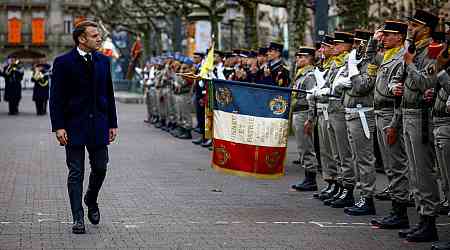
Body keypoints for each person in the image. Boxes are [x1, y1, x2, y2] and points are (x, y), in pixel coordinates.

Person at [49, 20, 118, 234]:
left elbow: (109, 93)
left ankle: (91, 198)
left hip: (99, 124)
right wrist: (59, 126)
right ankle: (78, 217)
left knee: (100, 168)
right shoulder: (63, 62)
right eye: (95, 35)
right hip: (73, 126)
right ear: (82, 38)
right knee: (76, 172)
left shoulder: (103, 61)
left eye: (99, 35)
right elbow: (56, 98)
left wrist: (112, 123)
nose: (99, 38)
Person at [391, 10, 440, 242]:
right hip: (408, 113)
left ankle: (429, 221)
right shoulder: (414, 50)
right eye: (410, 24)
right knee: (414, 172)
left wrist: (409, 65)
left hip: (421, 116)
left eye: (415, 24)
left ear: (427, 28)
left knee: (423, 172)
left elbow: (426, 82)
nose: (410, 27)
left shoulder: (432, 51)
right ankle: (421, 219)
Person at [369, 20, 410, 229]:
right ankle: (397, 209)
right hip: (380, 113)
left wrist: (394, 123)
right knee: (389, 165)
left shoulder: (402, 57)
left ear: (399, 37)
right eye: (382, 35)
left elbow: (400, 97)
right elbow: (369, 59)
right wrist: (371, 41)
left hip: (390, 114)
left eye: (387, 35)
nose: (382, 38)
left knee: (396, 165)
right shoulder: (386, 56)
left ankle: (400, 211)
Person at [290, 47, 320, 192]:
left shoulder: (310, 75)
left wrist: (310, 118)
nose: (298, 59)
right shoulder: (300, 74)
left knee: (307, 147)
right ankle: (307, 177)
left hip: (304, 112)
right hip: (297, 112)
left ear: (309, 59)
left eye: (302, 57)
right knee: (302, 147)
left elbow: (312, 97)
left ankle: (311, 179)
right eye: (298, 57)